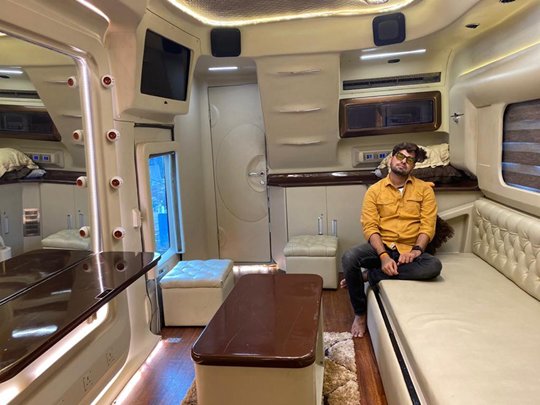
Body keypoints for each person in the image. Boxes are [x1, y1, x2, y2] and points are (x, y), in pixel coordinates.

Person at [341, 142, 442, 338]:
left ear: (413, 166)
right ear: (391, 159)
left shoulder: (424, 190)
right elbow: (370, 227)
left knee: (433, 266)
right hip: (382, 246)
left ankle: (372, 275)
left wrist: (416, 251)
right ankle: (360, 313)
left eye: (409, 160)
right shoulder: (374, 190)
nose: (404, 162)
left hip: (409, 250)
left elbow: (427, 226)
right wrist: (383, 256)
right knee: (349, 258)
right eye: (400, 157)